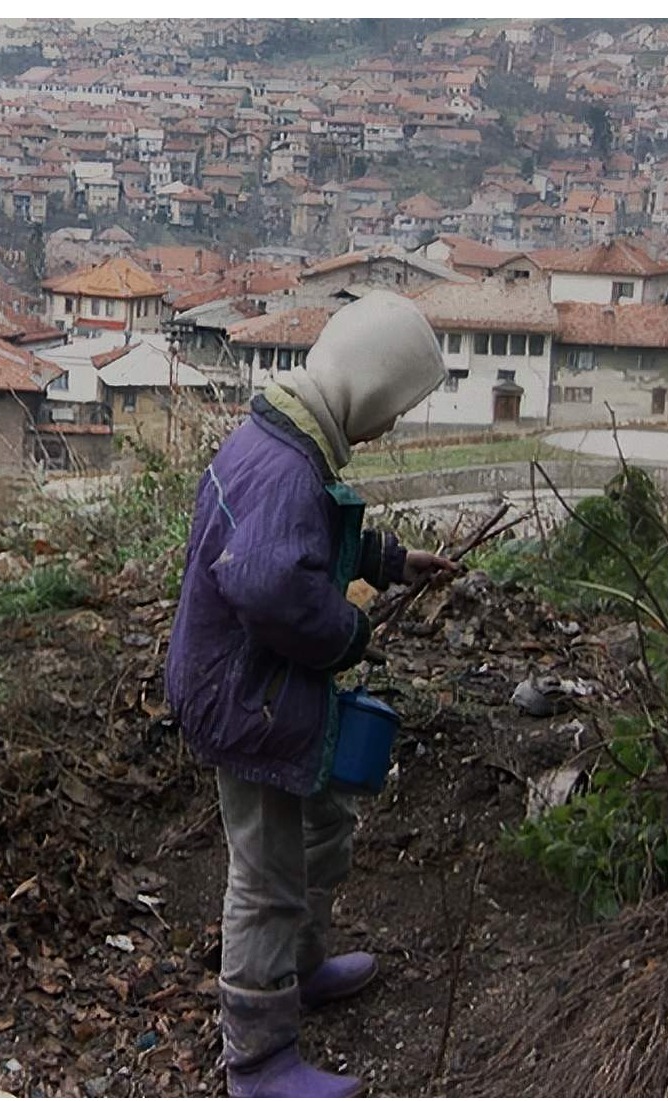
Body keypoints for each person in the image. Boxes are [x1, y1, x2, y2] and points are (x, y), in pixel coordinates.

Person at [165, 290, 458, 1099]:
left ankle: (299, 966)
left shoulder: (286, 437)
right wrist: (346, 631)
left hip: (261, 688)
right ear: (365, 384)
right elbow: (268, 584)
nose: (389, 424)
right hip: (244, 699)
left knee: (324, 817)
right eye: (392, 406)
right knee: (264, 873)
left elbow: (308, 539)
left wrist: (391, 560)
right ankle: (257, 1060)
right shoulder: (287, 467)